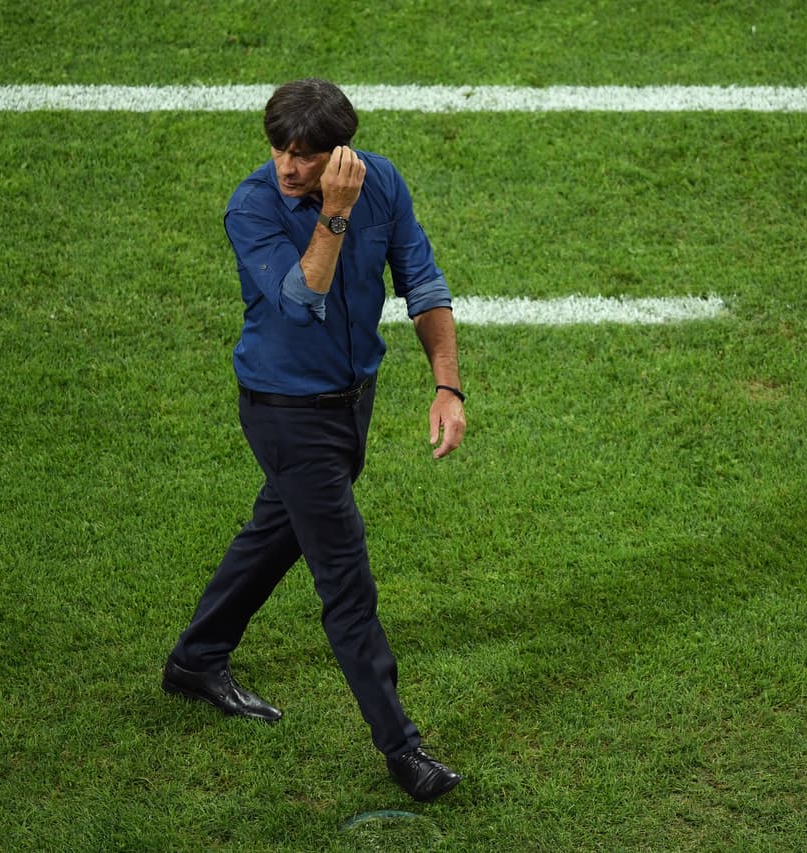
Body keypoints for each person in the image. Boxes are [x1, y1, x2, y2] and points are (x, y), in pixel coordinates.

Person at [162, 78, 465, 804]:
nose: (286, 167)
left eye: (303, 155)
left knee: (279, 531)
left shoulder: (382, 181)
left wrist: (448, 385)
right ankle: (402, 746)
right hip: (285, 411)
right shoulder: (253, 206)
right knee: (345, 577)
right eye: (279, 150)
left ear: (339, 153)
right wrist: (331, 217)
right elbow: (302, 303)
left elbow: (421, 280)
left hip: (351, 404)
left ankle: (196, 658)